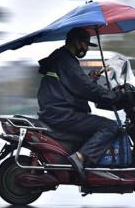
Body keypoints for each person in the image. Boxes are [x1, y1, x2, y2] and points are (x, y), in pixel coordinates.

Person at [37, 27, 122, 182]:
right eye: (85, 44)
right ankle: (80, 158)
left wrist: (91, 78)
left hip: (57, 110)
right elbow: (84, 88)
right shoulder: (65, 60)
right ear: (77, 42)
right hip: (63, 113)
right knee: (111, 126)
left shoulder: (61, 58)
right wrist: (113, 96)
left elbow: (74, 85)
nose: (86, 48)